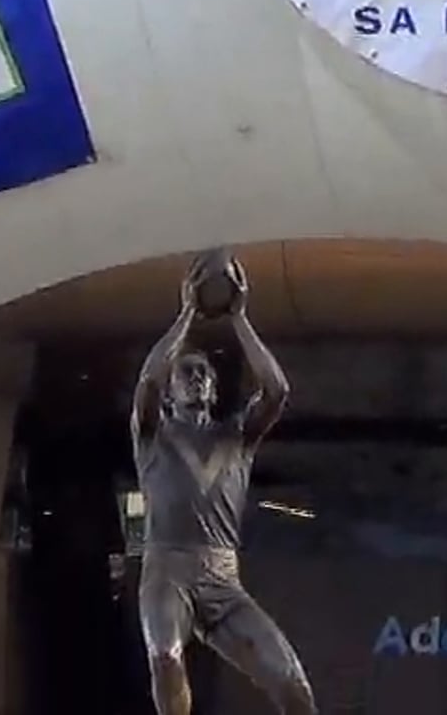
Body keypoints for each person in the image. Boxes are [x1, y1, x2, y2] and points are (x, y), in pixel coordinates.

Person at [130, 248, 316, 715]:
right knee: (166, 656)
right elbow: (148, 382)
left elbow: (278, 391)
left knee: (291, 679)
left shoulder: (237, 436)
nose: (196, 379)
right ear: (171, 394)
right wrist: (188, 316)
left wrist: (239, 318)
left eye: (204, 373)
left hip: (223, 579)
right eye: (186, 373)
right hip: (167, 570)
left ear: (215, 389)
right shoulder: (153, 434)